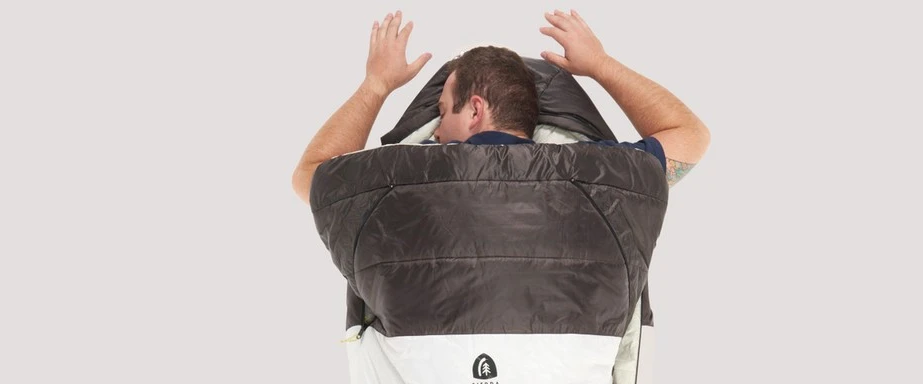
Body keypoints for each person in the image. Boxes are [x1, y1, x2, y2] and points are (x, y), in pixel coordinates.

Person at [292, 10, 710, 204]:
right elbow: (690, 136)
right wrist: (601, 65)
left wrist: (376, 85)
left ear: (475, 111)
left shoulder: (399, 175)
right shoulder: (598, 172)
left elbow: (309, 176)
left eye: (443, 111)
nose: (435, 128)